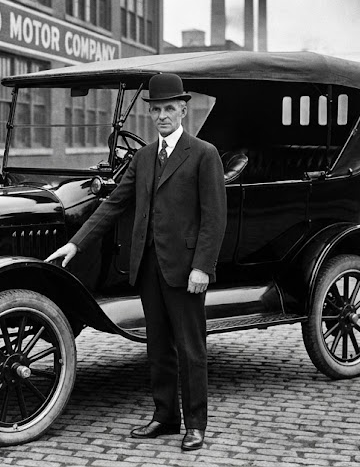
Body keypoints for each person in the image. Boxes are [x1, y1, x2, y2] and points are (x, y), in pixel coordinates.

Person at [45, 73, 227, 452]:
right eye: (156, 110)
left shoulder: (204, 154)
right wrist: (75, 245)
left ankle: (196, 424)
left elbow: (214, 218)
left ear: (183, 109)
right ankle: (164, 417)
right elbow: (113, 204)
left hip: (184, 269)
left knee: (191, 348)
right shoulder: (144, 158)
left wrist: (201, 267)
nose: (162, 116)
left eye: (169, 109)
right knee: (158, 346)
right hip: (147, 268)